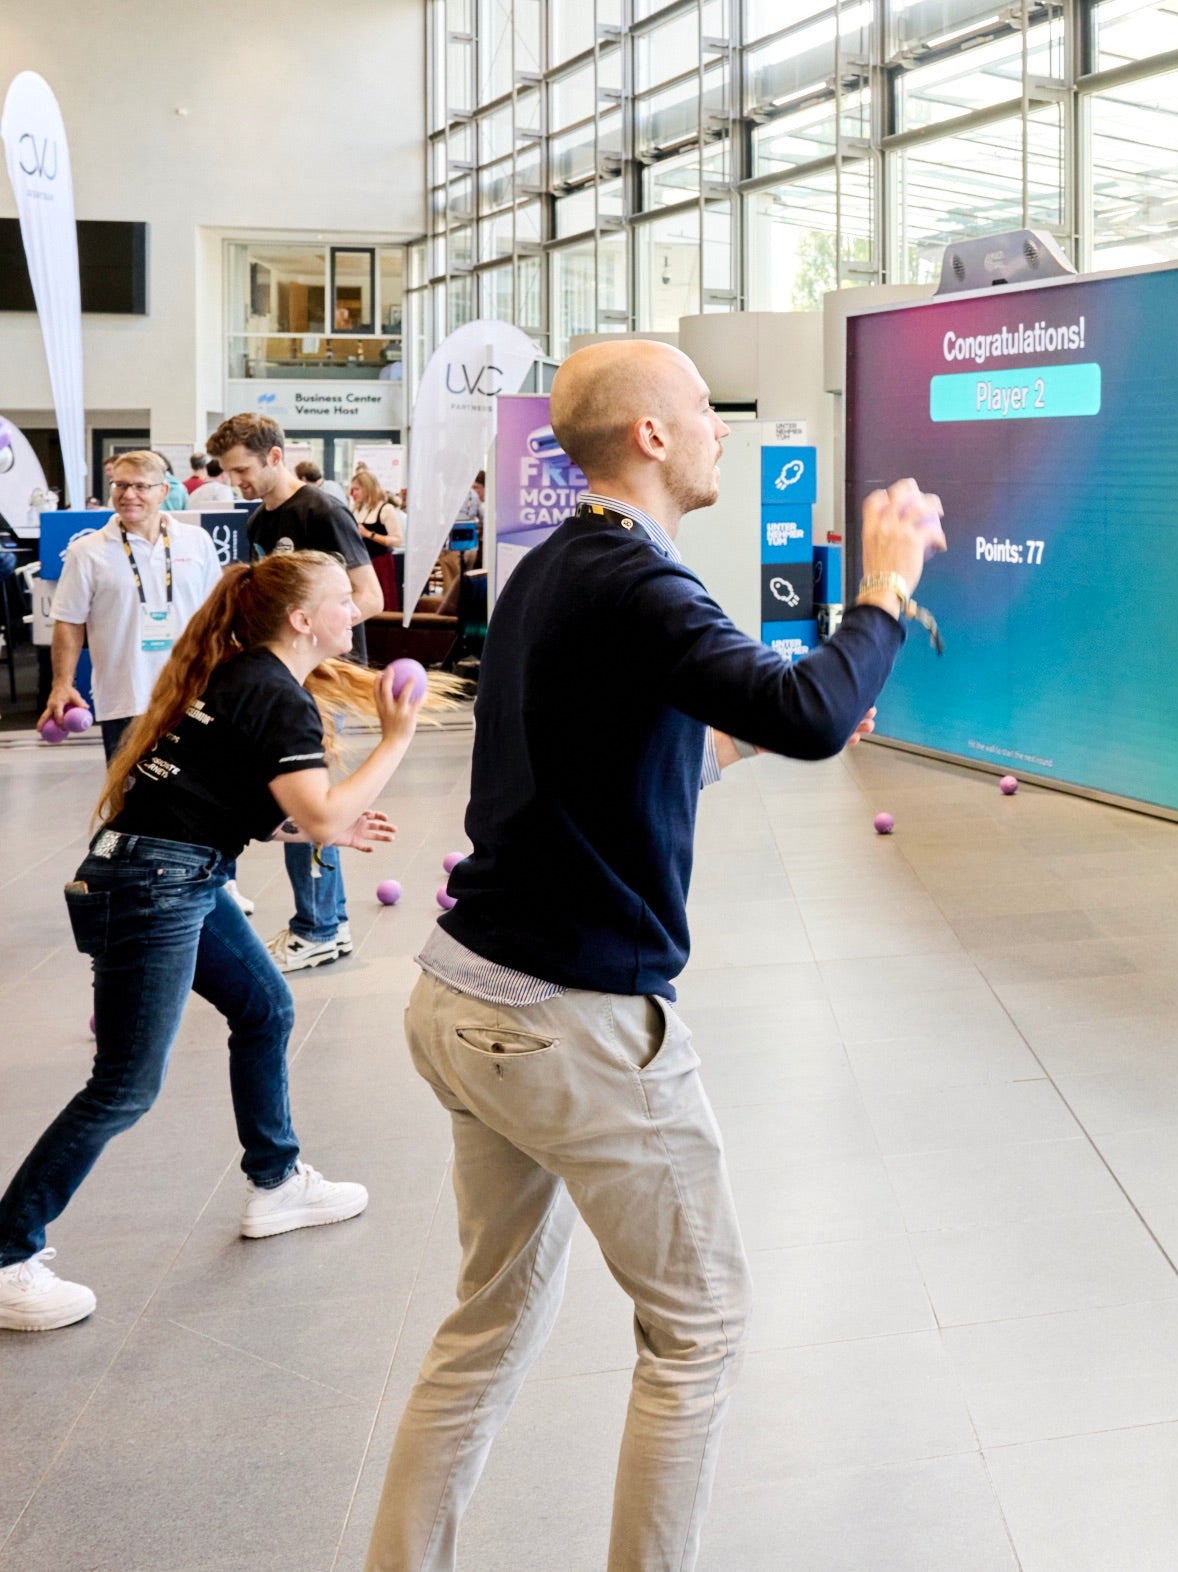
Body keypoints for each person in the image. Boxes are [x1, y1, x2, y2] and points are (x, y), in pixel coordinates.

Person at [363, 340, 944, 1572]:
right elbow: (811, 712)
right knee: (698, 1328)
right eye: (703, 409)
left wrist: (737, 745)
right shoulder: (632, 581)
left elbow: (618, 755)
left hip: (463, 996)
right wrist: (881, 592)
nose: (722, 428)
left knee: (488, 1324)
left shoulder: (554, 570)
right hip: (567, 1028)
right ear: (651, 437)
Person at [0, 551, 421, 1332]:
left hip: (170, 874)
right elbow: (323, 816)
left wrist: (313, 820)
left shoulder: (249, 679)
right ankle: (6, 1255)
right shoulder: (272, 692)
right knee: (124, 1087)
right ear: (300, 619)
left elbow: (232, 797)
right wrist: (395, 740)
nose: (355, 610)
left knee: (265, 1009)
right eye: (341, 600)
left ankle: (277, 1180)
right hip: (156, 887)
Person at [209, 412, 383, 973]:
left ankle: (320, 926)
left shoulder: (322, 511)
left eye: (242, 470)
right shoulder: (260, 521)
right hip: (285, 676)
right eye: (228, 472)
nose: (234, 482)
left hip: (324, 676)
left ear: (276, 457)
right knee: (290, 800)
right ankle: (326, 922)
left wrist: (314, 637)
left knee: (311, 802)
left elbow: (368, 596)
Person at [45, 450, 225, 760]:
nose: (129, 495)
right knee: (130, 800)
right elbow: (69, 621)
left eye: (141, 486)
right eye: (120, 485)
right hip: (125, 698)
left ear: (163, 492)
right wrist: (62, 683)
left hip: (192, 694)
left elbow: (217, 615)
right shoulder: (86, 552)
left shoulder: (197, 541)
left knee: (195, 799)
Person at [348, 463, 406, 609]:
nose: (353, 493)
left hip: (380, 562)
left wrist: (369, 534)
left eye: (357, 489)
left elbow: (397, 540)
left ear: (367, 488)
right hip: (362, 562)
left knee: (381, 600)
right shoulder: (358, 509)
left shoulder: (385, 509)